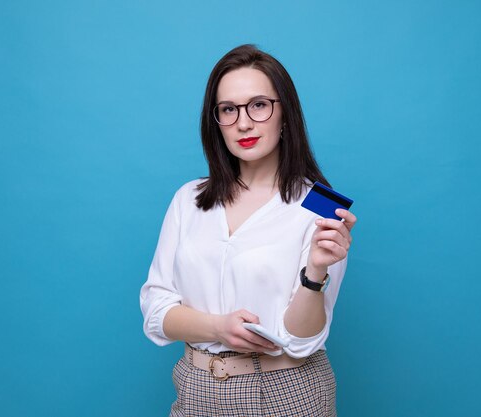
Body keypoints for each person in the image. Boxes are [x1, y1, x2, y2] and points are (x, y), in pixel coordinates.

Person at [140, 44, 357, 416]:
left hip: (285, 391)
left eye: (258, 105)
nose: (243, 123)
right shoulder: (188, 200)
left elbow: (302, 342)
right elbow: (156, 311)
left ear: (284, 113)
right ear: (216, 121)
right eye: (229, 109)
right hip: (196, 387)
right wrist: (217, 327)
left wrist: (316, 271)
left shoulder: (317, 206)